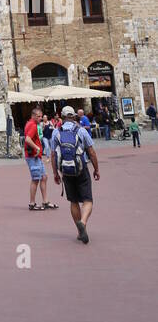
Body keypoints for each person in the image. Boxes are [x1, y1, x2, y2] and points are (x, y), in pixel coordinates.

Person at [51, 104, 100, 244]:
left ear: (62, 117)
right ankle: (83, 223)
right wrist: (96, 169)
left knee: (73, 201)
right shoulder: (81, 131)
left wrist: (55, 173)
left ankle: (80, 232)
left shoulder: (56, 132)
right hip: (81, 168)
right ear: (73, 116)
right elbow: (91, 152)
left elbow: (53, 155)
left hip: (66, 171)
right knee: (87, 200)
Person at [23, 106, 54, 211]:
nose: (40, 118)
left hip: (36, 156)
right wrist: (36, 147)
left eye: (41, 116)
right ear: (33, 116)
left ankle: (45, 201)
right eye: (38, 116)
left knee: (44, 177)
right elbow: (27, 139)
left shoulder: (30, 123)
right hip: (33, 156)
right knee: (35, 179)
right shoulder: (32, 125)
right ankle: (32, 203)